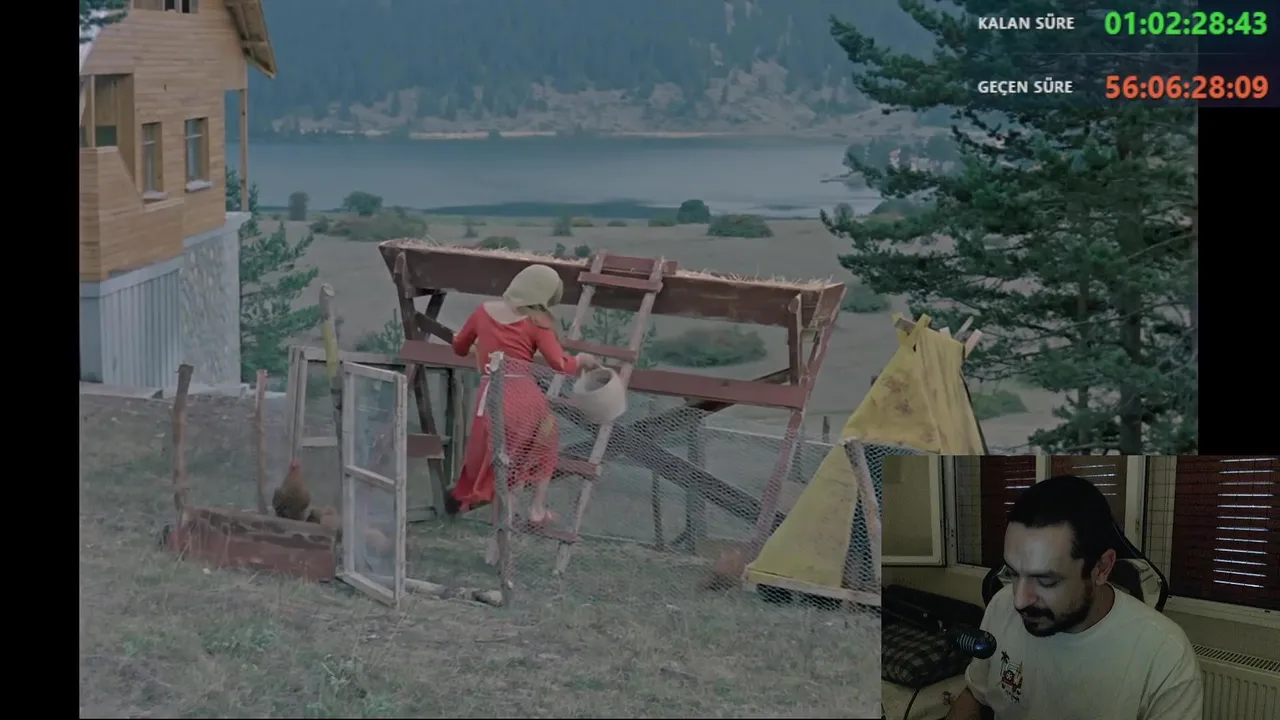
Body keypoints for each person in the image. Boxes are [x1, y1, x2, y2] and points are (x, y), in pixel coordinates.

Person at [945, 475, 1203, 720]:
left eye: (1046, 581)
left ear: (1101, 568)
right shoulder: (1001, 606)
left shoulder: (1166, 656)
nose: (1019, 601)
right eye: (1013, 573)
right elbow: (975, 694)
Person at [445, 264, 598, 530]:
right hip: (525, 398)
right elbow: (560, 364)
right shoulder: (537, 322)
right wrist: (582, 360)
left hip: (491, 396)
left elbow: (459, 347)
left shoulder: (482, 312)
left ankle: (505, 518)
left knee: (500, 455)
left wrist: (468, 339)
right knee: (541, 445)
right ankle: (536, 509)